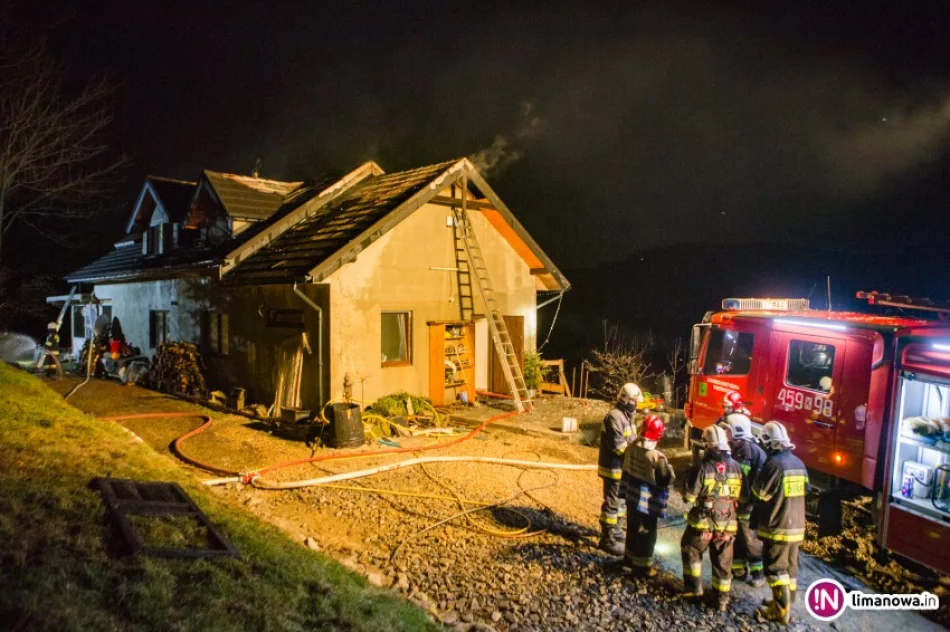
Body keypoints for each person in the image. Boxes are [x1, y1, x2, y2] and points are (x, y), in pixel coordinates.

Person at [681, 425, 743, 611]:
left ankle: (694, 589)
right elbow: (743, 495)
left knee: (690, 548)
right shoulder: (737, 467)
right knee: (723, 562)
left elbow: (689, 497)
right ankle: (722, 600)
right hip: (728, 525)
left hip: (703, 524)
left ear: (707, 446)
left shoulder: (702, 468)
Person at [753, 420, 808, 625]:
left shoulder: (774, 465)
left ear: (770, 443)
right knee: (790, 569)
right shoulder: (798, 463)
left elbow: (761, 494)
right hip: (797, 527)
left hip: (777, 527)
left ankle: (781, 611)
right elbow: (806, 492)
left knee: (775, 569)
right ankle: (785, 603)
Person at [622, 414, 675, 577]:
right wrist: (670, 469)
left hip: (631, 497)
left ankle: (629, 559)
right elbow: (665, 480)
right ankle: (642, 568)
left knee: (631, 528)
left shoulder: (631, 447)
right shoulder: (657, 457)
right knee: (646, 533)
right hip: (647, 503)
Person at [597, 382, 642, 555]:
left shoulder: (628, 416)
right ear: (624, 399)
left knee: (621, 502)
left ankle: (616, 530)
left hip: (624, 469)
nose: (635, 404)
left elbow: (631, 439)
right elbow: (617, 446)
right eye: (633, 400)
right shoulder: (614, 417)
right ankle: (606, 539)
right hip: (613, 468)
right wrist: (636, 452)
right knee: (612, 502)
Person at [724, 413, 767, 586]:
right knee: (737, 536)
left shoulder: (754, 454)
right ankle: (739, 569)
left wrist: (752, 505)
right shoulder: (732, 449)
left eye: (727, 430)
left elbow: (759, 484)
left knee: (750, 539)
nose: (725, 434)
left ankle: (759, 574)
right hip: (735, 503)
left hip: (749, 506)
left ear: (737, 432)